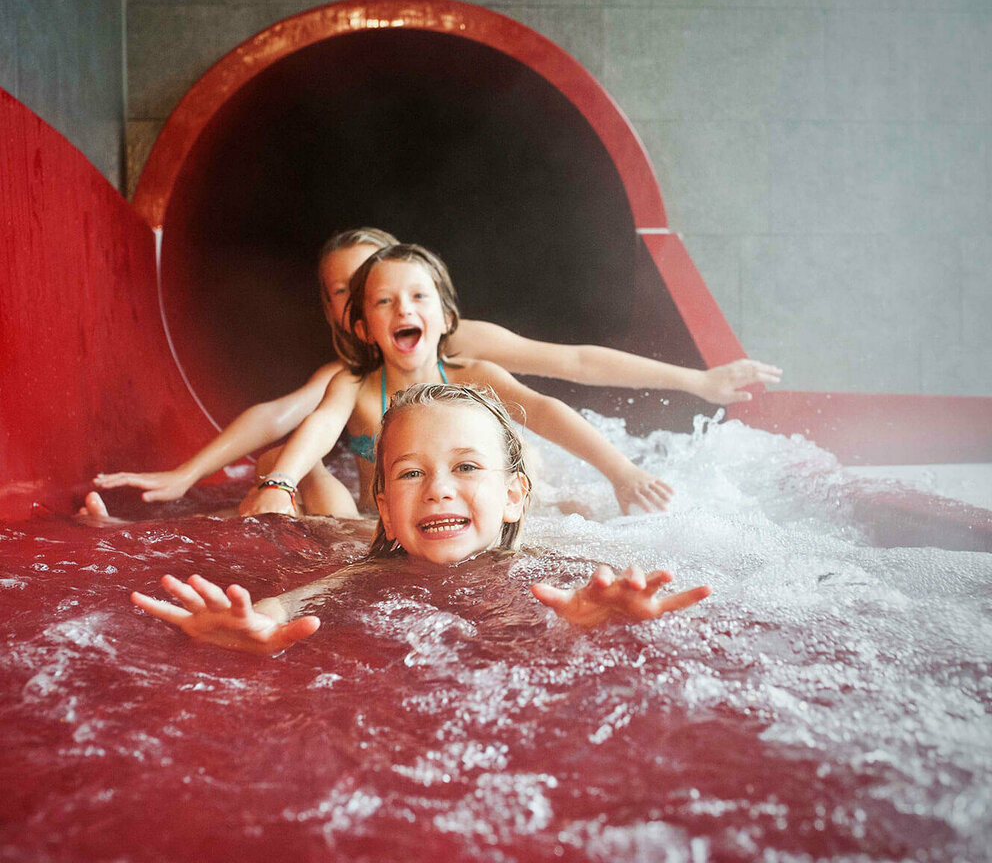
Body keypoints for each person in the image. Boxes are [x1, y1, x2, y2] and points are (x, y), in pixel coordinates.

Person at [94, 227, 781, 507]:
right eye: (354, 291)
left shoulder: (463, 352)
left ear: (437, 306)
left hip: (481, 491)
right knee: (298, 474)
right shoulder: (350, 381)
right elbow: (286, 418)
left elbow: (567, 369)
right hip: (396, 511)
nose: (390, 304)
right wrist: (199, 474)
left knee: (528, 475)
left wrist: (697, 385)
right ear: (349, 313)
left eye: (405, 289)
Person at [130, 383, 711, 655]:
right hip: (348, 529)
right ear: (384, 507)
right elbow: (285, 606)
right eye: (409, 474)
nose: (437, 491)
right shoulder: (370, 573)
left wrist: (609, 616)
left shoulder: (552, 564)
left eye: (464, 467)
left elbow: (615, 592)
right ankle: (298, 474)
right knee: (326, 514)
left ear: (513, 497)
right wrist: (246, 626)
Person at [238, 243, 682, 518]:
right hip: (383, 523)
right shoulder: (354, 387)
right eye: (384, 302)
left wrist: (621, 472)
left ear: (446, 317)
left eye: (417, 297)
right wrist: (280, 483)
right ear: (363, 328)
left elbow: (544, 410)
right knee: (284, 462)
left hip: (471, 512)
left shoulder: (474, 375)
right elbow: (319, 426)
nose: (403, 311)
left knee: (530, 474)